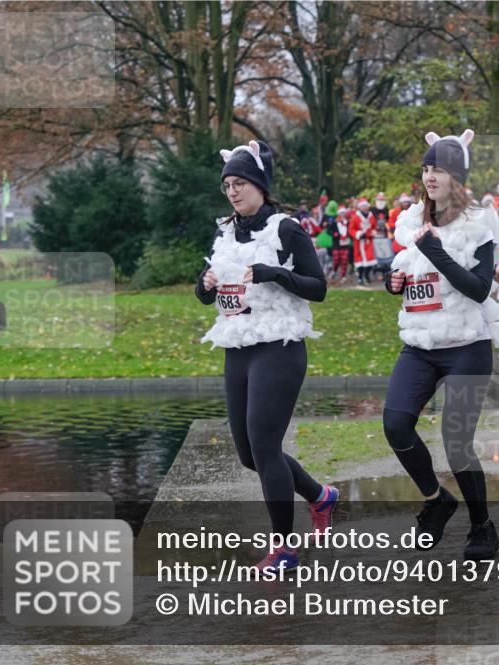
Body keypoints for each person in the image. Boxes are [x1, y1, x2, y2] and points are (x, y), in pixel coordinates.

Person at [196, 140, 337, 571]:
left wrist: (274, 273)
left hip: (279, 347)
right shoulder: (224, 233)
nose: (232, 192)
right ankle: (320, 496)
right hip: (238, 347)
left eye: (240, 183)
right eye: (227, 186)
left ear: (259, 185)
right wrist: (205, 285)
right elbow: (206, 294)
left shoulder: (285, 229)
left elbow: (318, 287)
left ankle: (284, 549)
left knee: (264, 445)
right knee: (247, 454)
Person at [383, 129, 499, 560]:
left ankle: (482, 525)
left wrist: (437, 253)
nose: (430, 176)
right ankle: (436, 500)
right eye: (426, 168)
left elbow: (478, 288)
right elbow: (407, 270)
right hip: (420, 345)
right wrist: (393, 282)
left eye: (439, 169)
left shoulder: (479, 223)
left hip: (466, 346)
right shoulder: (411, 220)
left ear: (458, 177)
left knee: (456, 442)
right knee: (395, 425)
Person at [351, 199, 377, 285]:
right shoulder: (355, 217)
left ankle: (366, 275)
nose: (364, 208)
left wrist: (372, 233)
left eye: (366, 206)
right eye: (363, 206)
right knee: (360, 261)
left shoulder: (371, 216)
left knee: (370, 260)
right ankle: (360, 277)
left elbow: (374, 227)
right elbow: (351, 229)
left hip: (368, 241)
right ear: (360, 207)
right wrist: (358, 234)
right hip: (359, 242)